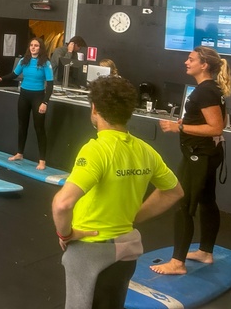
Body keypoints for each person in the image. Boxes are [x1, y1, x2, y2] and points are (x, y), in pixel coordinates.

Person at [52, 76, 183, 309]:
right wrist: (133, 217)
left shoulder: (96, 150)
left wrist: (65, 234)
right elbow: (173, 192)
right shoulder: (146, 151)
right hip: (127, 249)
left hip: (91, 250)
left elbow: (62, 204)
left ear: (94, 108)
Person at [151, 46, 231, 276]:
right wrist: (187, 122)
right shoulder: (211, 89)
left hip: (200, 156)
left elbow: (216, 127)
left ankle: (177, 263)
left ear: (204, 65)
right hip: (205, 154)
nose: (186, 62)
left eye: (191, 59)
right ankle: (205, 252)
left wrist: (180, 127)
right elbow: (217, 121)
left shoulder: (205, 91)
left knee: (183, 204)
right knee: (206, 200)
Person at [0, 37, 54, 170]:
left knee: (39, 128)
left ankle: (42, 160)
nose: (33, 47)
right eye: (31, 45)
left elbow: (50, 85)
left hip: (38, 97)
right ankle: (19, 153)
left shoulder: (45, 63)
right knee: (22, 126)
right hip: (24, 96)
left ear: (40, 48)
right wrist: (1, 78)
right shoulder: (24, 61)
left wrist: (45, 102)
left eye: (36, 45)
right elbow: (14, 74)